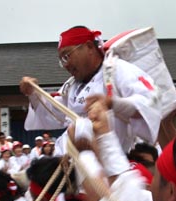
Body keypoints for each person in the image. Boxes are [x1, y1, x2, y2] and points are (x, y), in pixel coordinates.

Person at [20, 26, 162, 155]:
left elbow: (149, 102)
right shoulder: (71, 86)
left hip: (109, 165)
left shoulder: (117, 70)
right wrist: (33, 93)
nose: (65, 65)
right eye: (62, 60)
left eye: (67, 56)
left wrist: (113, 103)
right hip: (72, 163)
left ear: (88, 47)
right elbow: (53, 113)